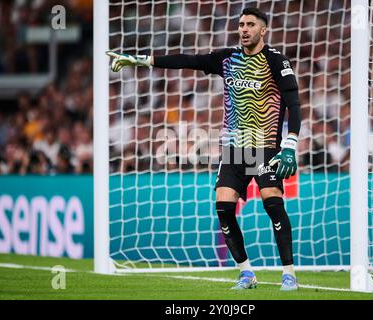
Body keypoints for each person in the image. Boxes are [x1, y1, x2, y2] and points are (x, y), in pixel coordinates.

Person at [106, 7, 301, 291]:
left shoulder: (276, 61)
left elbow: (293, 103)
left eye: (250, 25)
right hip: (234, 149)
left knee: (272, 202)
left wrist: (291, 143)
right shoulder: (228, 58)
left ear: (263, 30)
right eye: (241, 24)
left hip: (264, 147)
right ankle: (246, 273)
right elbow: (189, 61)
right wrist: (144, 61)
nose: (244, 29)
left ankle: (289, 274)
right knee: (223, 207)